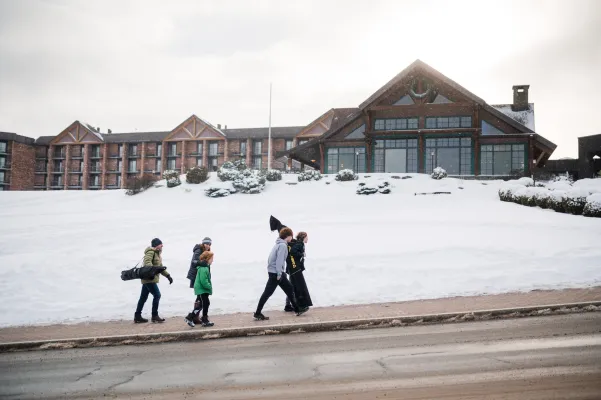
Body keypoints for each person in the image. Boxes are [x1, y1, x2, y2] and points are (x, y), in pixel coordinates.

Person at [254, 228, 308, 320]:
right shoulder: (282, 246)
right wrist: (279, 274)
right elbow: (279, 261)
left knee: (289, 289)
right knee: (267, 293)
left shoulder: (278, 244)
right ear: (288, 236)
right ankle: (258, 313)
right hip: (276, 274)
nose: (292, 238)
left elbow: (270, 259)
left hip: (275, 272)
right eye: (291, 236)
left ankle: (297, 309)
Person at [134, 238, 173, 323]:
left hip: (150, 279)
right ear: (156, 245)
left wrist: (168, 276)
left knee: (143, 297)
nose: (162, 245)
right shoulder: (150, 252)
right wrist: (153, 270)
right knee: (157, 295)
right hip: (149, 279)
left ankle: (137, 316)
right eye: (160, 244)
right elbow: (147, 263)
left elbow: (160, 267)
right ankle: (154, 315)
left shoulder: (157, 254)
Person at [185, 237, 212, 325]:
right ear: (203, 243)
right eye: (206, 244)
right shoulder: (199, 250)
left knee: (200, 299)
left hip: (200, 277)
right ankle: (195, 317)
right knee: (202, 299)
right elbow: (194, 262)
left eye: (209, 244)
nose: (208, 245)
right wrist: (202, 264)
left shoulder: (207, 252)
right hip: (196, 277)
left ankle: (194, 317)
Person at [284, 232, 313, 312]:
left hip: (293, 269)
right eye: (307, 237)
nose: (308, 239)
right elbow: (293, 252)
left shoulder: (298, 243)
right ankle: (292, 305)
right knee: (294, 287)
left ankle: (288, 305)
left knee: (292, 287)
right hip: (295, 270)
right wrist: (301, 254)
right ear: (303, 237)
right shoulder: (300, 244)